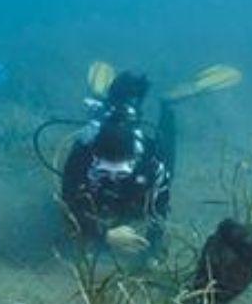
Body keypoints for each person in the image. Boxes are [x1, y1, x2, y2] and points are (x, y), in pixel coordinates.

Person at [60, 70, 175, 260]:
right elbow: (68, 201)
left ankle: (167, 108)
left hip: (137, 175)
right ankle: (113, 101)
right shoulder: (83, 155)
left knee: (167, 156)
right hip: (105, 148)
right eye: (104, 170)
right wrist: (103, 235)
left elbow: (160, 207)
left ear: (134, 160)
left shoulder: (149, 163)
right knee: (108, 116)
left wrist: (152, 250)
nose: (112, 176)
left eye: (120, 172)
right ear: (94, 159)